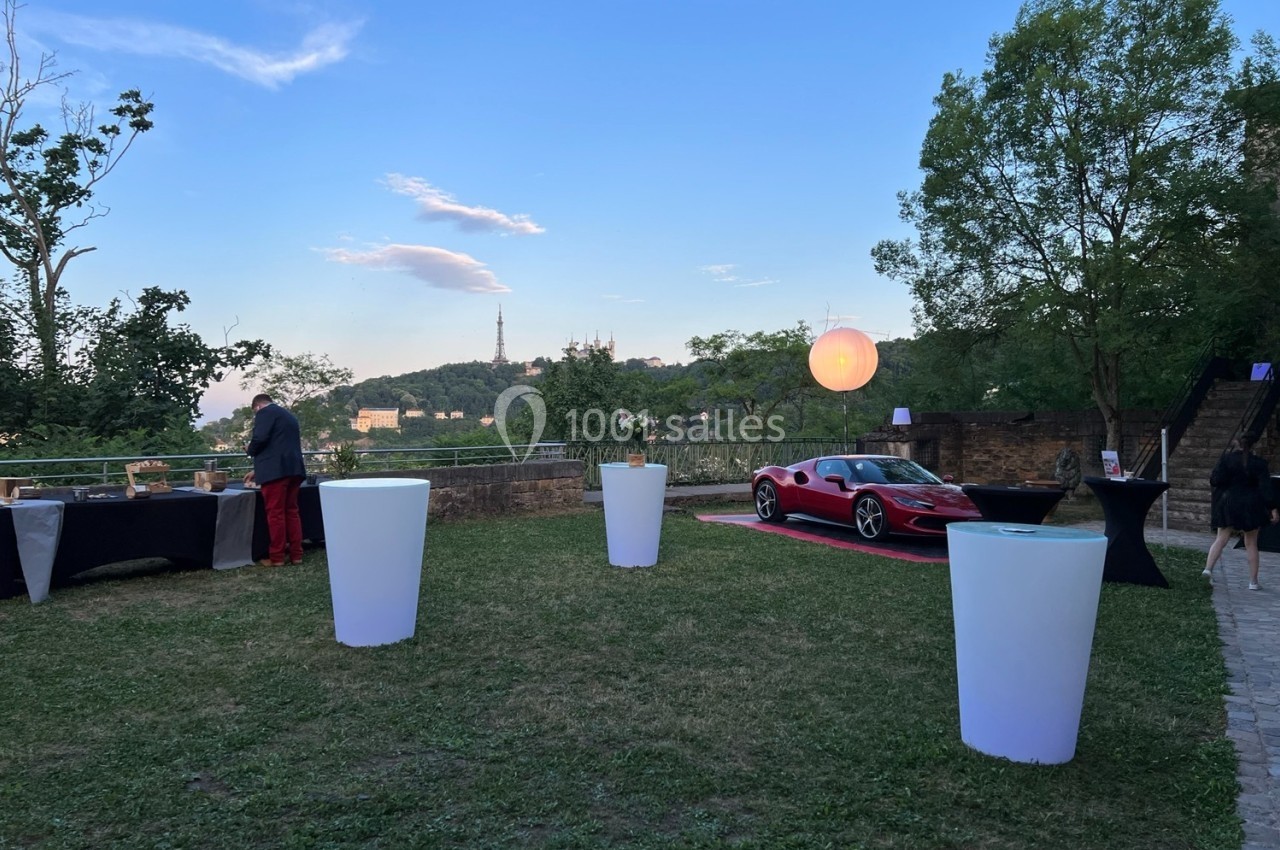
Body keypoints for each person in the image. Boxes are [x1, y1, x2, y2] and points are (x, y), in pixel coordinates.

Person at [1203, 433, 1278, 590]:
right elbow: (1265, 488)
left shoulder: (1226, 460)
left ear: (1235, 444)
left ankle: (1208, 569)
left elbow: (1215, 480)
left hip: (1228, 502)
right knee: (1251, 543)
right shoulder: (1259, 463)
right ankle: (1253, 582)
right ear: (1253, 446)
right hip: (1251, 505)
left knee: (1221, 538)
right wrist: (1272, 508)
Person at [244, 393, 308, 567]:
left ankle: (277, 557)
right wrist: (257, 470)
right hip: (294, 469)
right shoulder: (288, 415)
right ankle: (296, 555)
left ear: (257, 406)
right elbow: (278, 447)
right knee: (292, 511)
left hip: (276, 474)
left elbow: (260, 439)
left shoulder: (264, 413)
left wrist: (249, 449)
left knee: (276, 514)